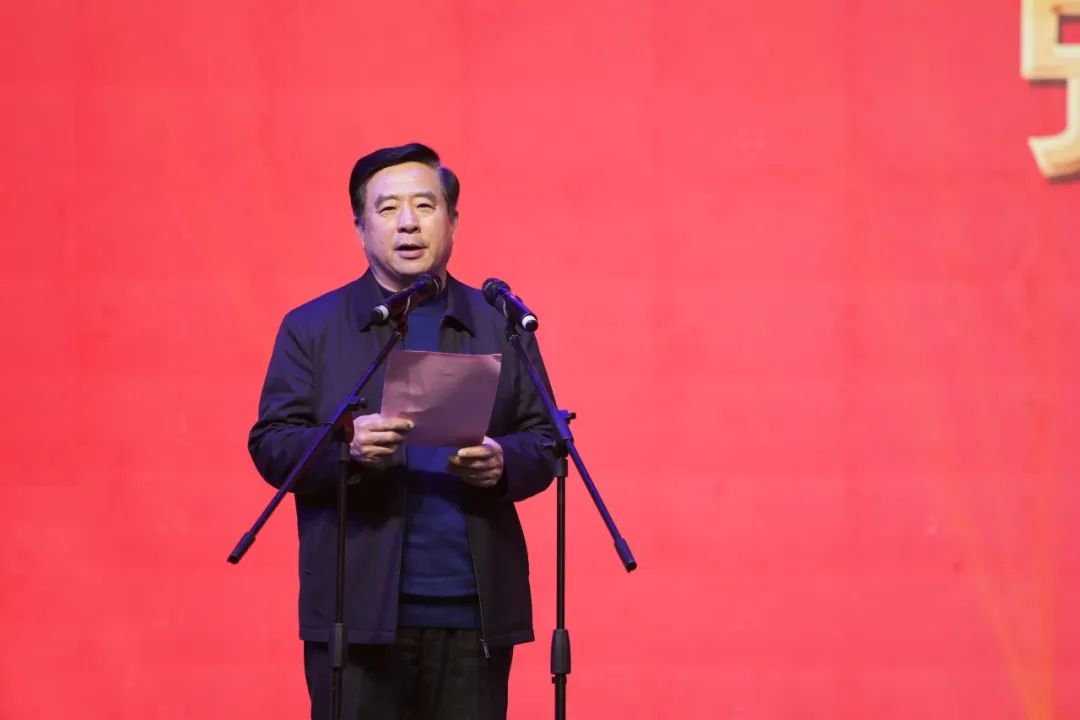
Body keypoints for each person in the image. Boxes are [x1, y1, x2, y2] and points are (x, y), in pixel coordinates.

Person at [248, 142, 556, 720]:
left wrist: (502, 461)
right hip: (355, 614)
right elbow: (271, 445)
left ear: (453, 221)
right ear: (360, 227)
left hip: (473, 614)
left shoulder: (501, 325)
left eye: (425, 205)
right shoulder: (312, 327)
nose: (408, 223)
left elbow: (545, 440)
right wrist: (345, 445)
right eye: (388, 208)